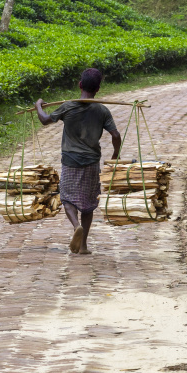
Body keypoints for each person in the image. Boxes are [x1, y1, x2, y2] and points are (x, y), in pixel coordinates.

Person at [35, 68, 121, 255]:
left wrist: (39, 105)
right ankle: (83, 246)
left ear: (80, 84)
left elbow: (44, 120)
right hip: (91, 162)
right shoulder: (101, 110)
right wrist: (115, 155)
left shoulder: (68, 106)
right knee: (88, 204)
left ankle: (76, 226)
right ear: (97, 89)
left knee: (67, 198)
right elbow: (115, 134)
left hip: (70, 160)